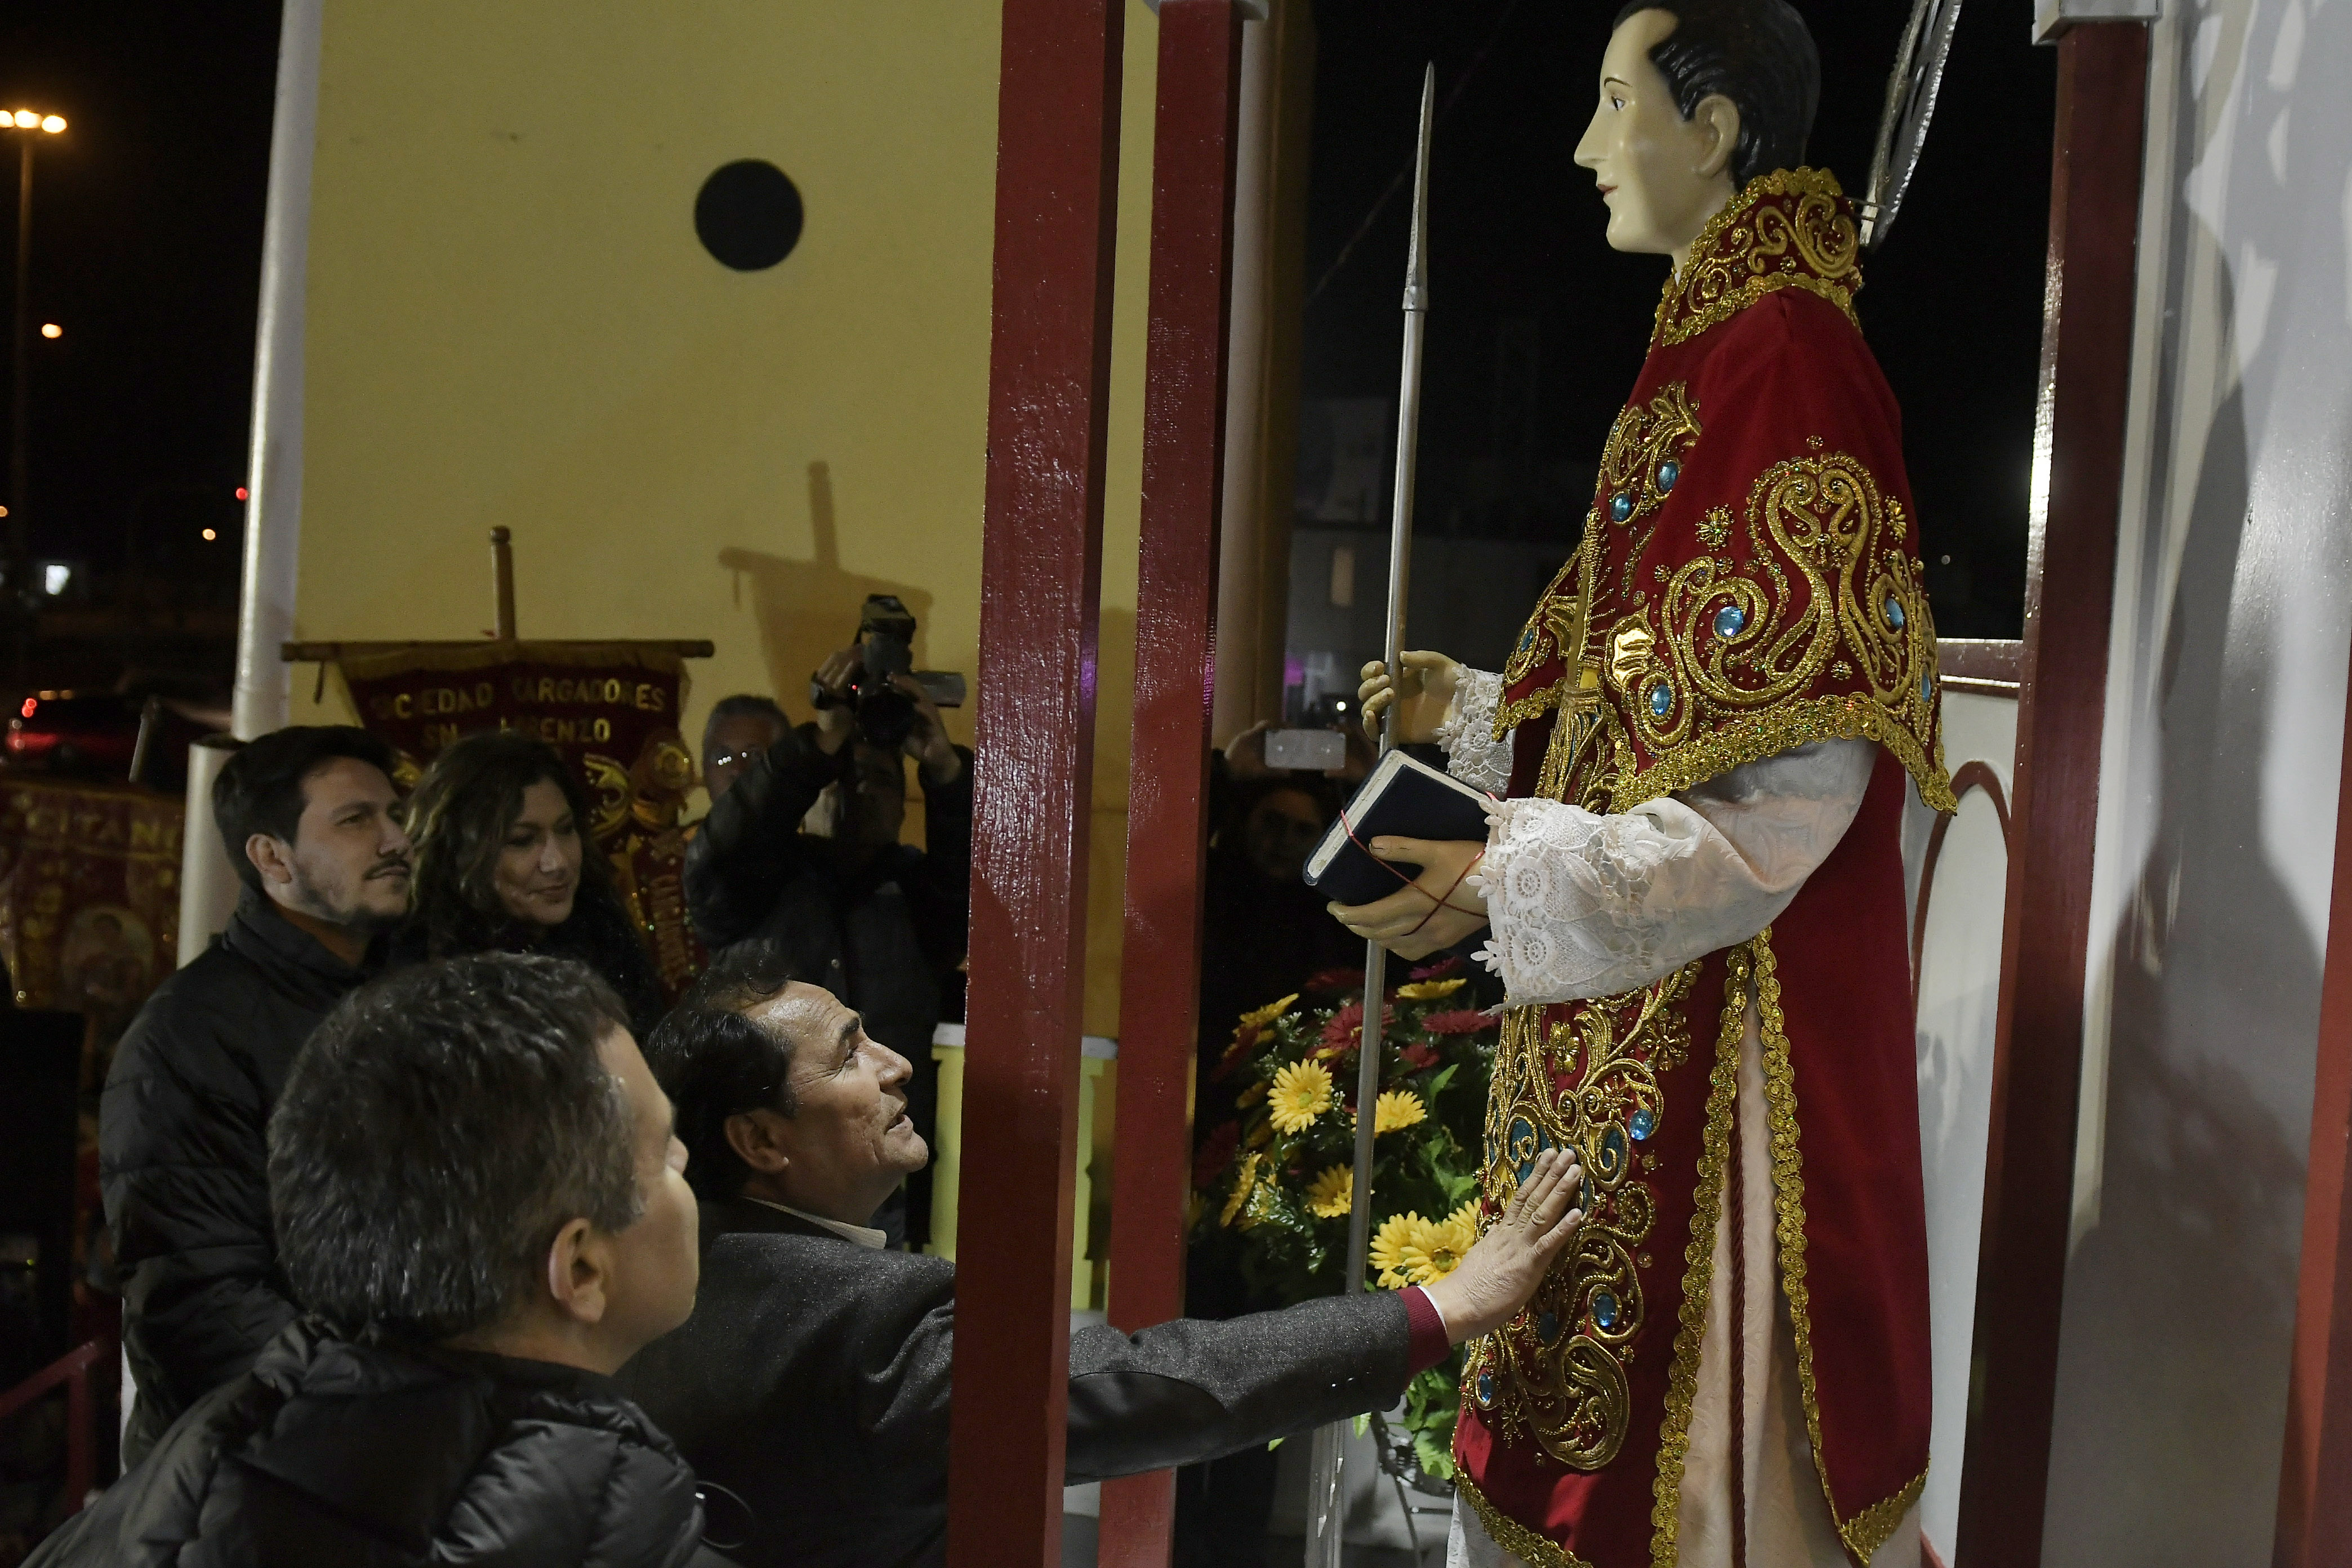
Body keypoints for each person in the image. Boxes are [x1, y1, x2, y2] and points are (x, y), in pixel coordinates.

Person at [1339, 5, 1945, 1564]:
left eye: (1616, 104)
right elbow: (1631, 707)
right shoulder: (1704, 355)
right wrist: (1472, 714)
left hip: (1729, 1049)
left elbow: (1783, 802)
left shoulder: (1790, 365)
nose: (1586, 146)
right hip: (1627, 1023)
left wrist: (1499, 877)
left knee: (1697, 1499)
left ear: (1719, 126)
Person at [617, 943, 1587, 1568]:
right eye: (846, 1054)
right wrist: (1444, 1305)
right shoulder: (857, 1320)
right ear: (761, 1141)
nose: (894, 1062)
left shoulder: (683, 1265)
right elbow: (1154, 1380)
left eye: (869, 1033)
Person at [32, 954, 719, 1567]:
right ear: (580, 1271)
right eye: (662, 1151)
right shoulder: (619, 1529)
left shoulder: (184, 1475)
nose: (684, 1161)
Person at [100, 725, 412, 1465]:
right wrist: (366, 1423)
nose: (396, 838)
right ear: (271, 858)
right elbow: (201, 1303)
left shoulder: (413, 995)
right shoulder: (189, 1036)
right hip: (272, 1467)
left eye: (395, 813)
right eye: (355, 820)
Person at [685, 654, 972, 1248]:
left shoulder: (919, 895)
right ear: (812, 795)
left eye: (883, 782)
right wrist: (820, 740)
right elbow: (726, 844)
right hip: (762, 1174)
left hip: (879, 1177)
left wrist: (943, 768)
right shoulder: (755, 884)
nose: (860, 796)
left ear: (902, 806)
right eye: (842, 780)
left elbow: (980, 887)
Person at [400, 730, 667, 1036]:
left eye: (566, 830)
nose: (558, 863)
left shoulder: (605, 936)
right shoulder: (430, 986)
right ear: (460, 853)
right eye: (523, 841)